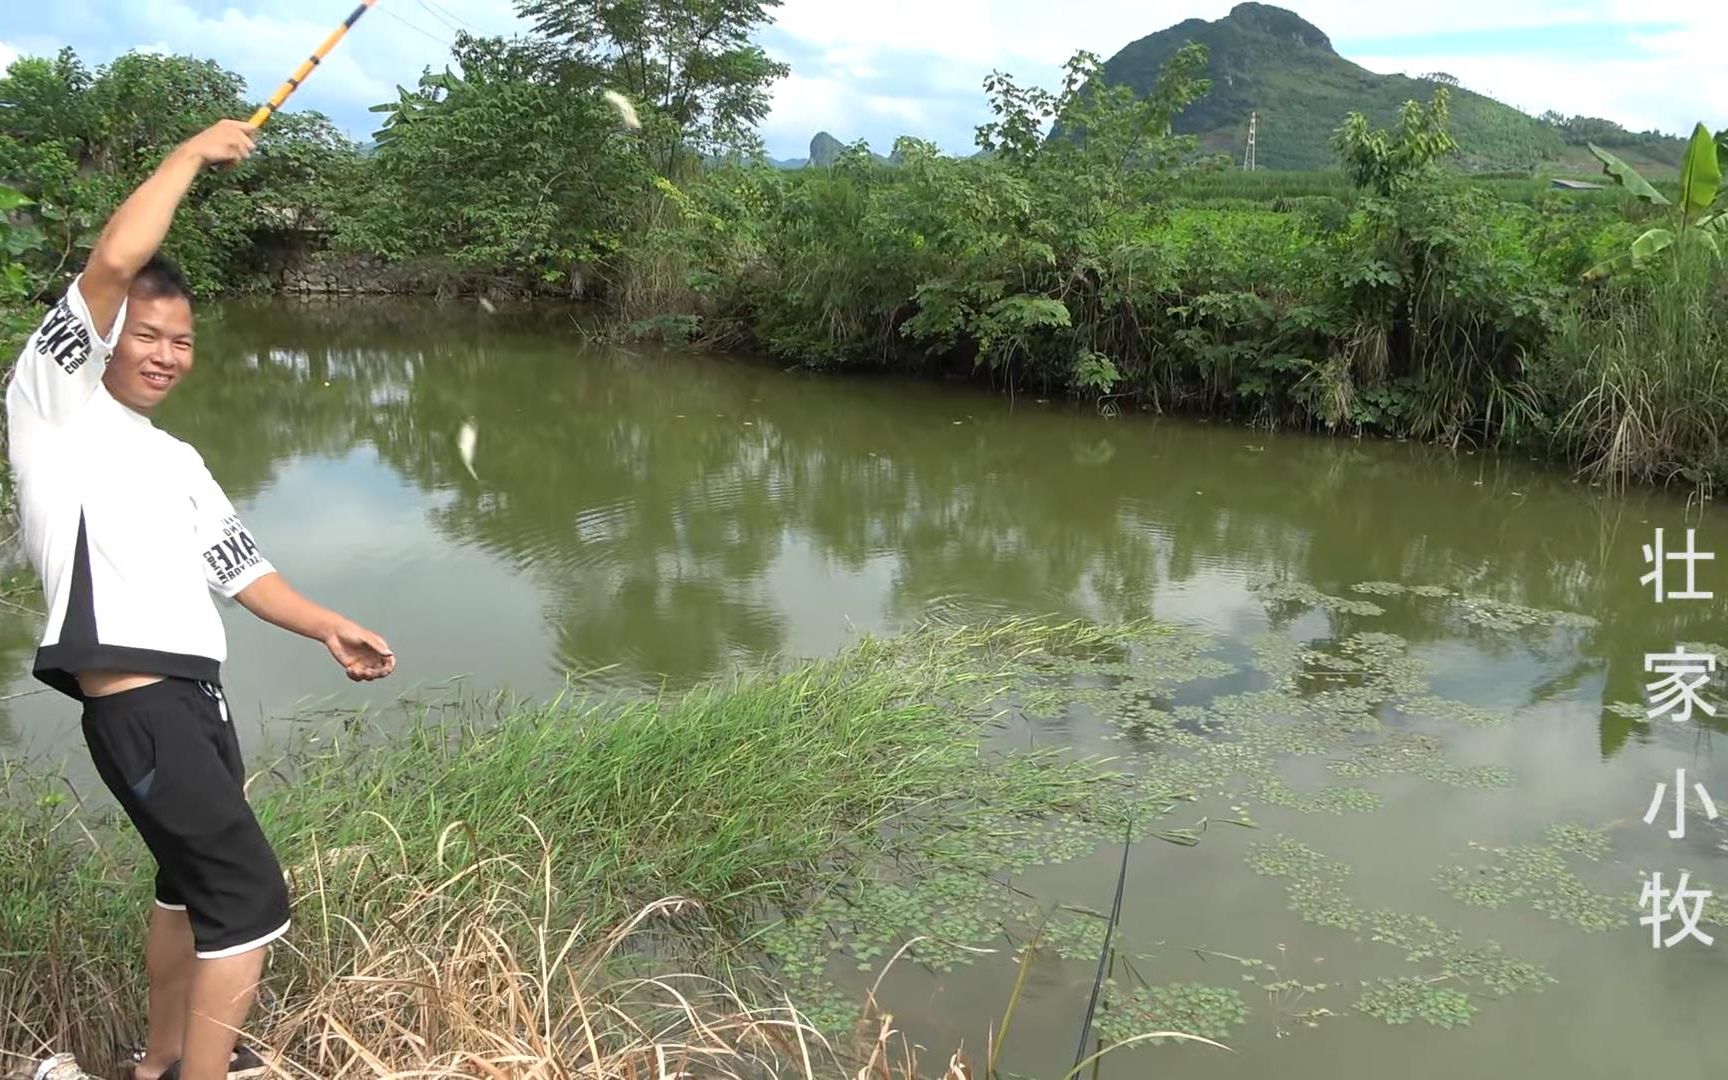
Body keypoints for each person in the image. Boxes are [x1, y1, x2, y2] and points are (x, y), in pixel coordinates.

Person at [6, 119, 397, 1080]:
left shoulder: (177, 458)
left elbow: (241, 569)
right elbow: (115, 256)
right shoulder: (52, 407)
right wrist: (186, 156)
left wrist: (325, 625)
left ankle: (160, 1064)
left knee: (186, 893)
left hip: (197, 706)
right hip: (139, 706)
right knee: (251, 901)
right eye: (147, 333)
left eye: (183, 340)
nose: (168, 354)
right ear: (101, 336)